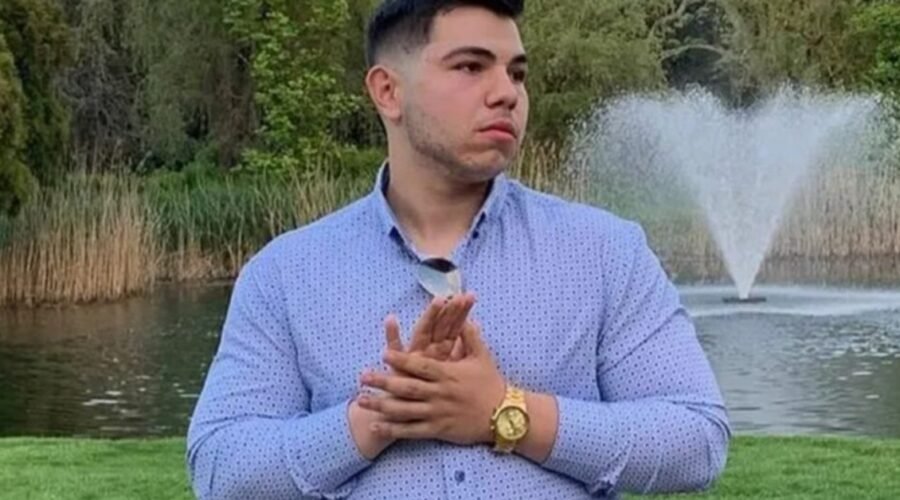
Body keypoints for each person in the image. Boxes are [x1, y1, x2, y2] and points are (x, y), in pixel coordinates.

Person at [185, 1, 731, 498]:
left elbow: (697, 439)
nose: (506, 93)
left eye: (517, 73)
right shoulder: (286, 274)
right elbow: (220, 468)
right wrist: (377, 417)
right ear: (387, 91)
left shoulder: (604, 252)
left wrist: (506, 412)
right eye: (471, 67)